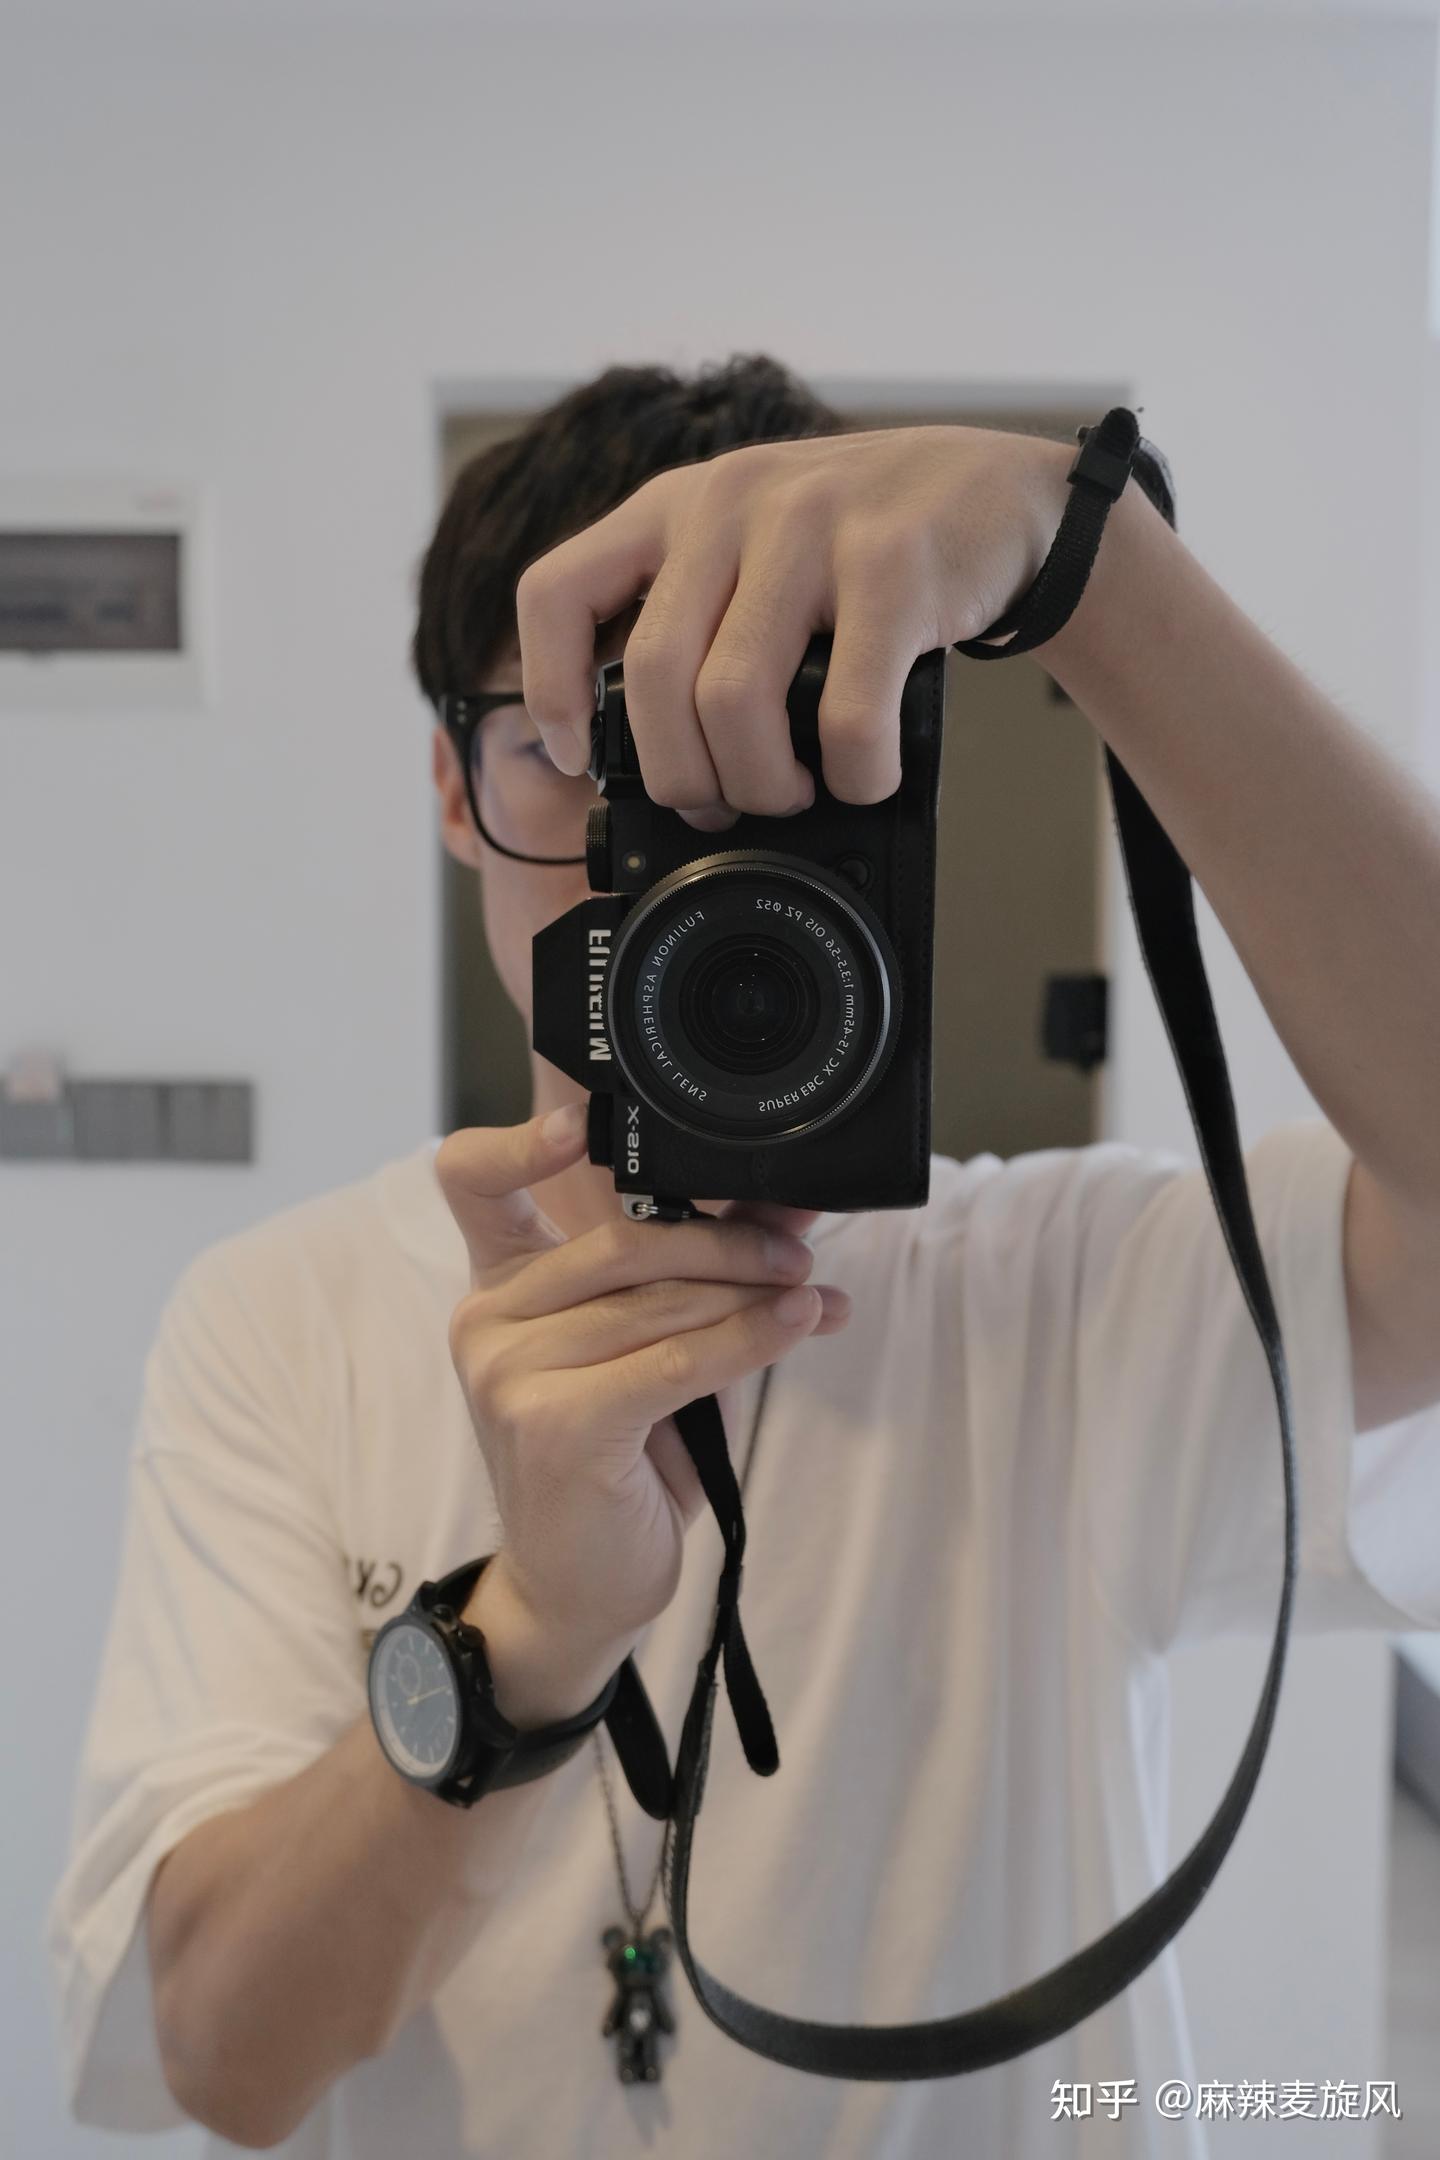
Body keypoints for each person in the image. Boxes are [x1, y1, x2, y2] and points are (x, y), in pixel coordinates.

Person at [47, 355, 1440, 2159]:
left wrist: (1098, 570)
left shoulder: (1059, 1287)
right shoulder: (281, 1319)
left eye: (768, 753)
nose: (665, 852)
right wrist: (530, 1636)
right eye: (584, 752)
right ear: (456, 787)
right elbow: (220, 2058)